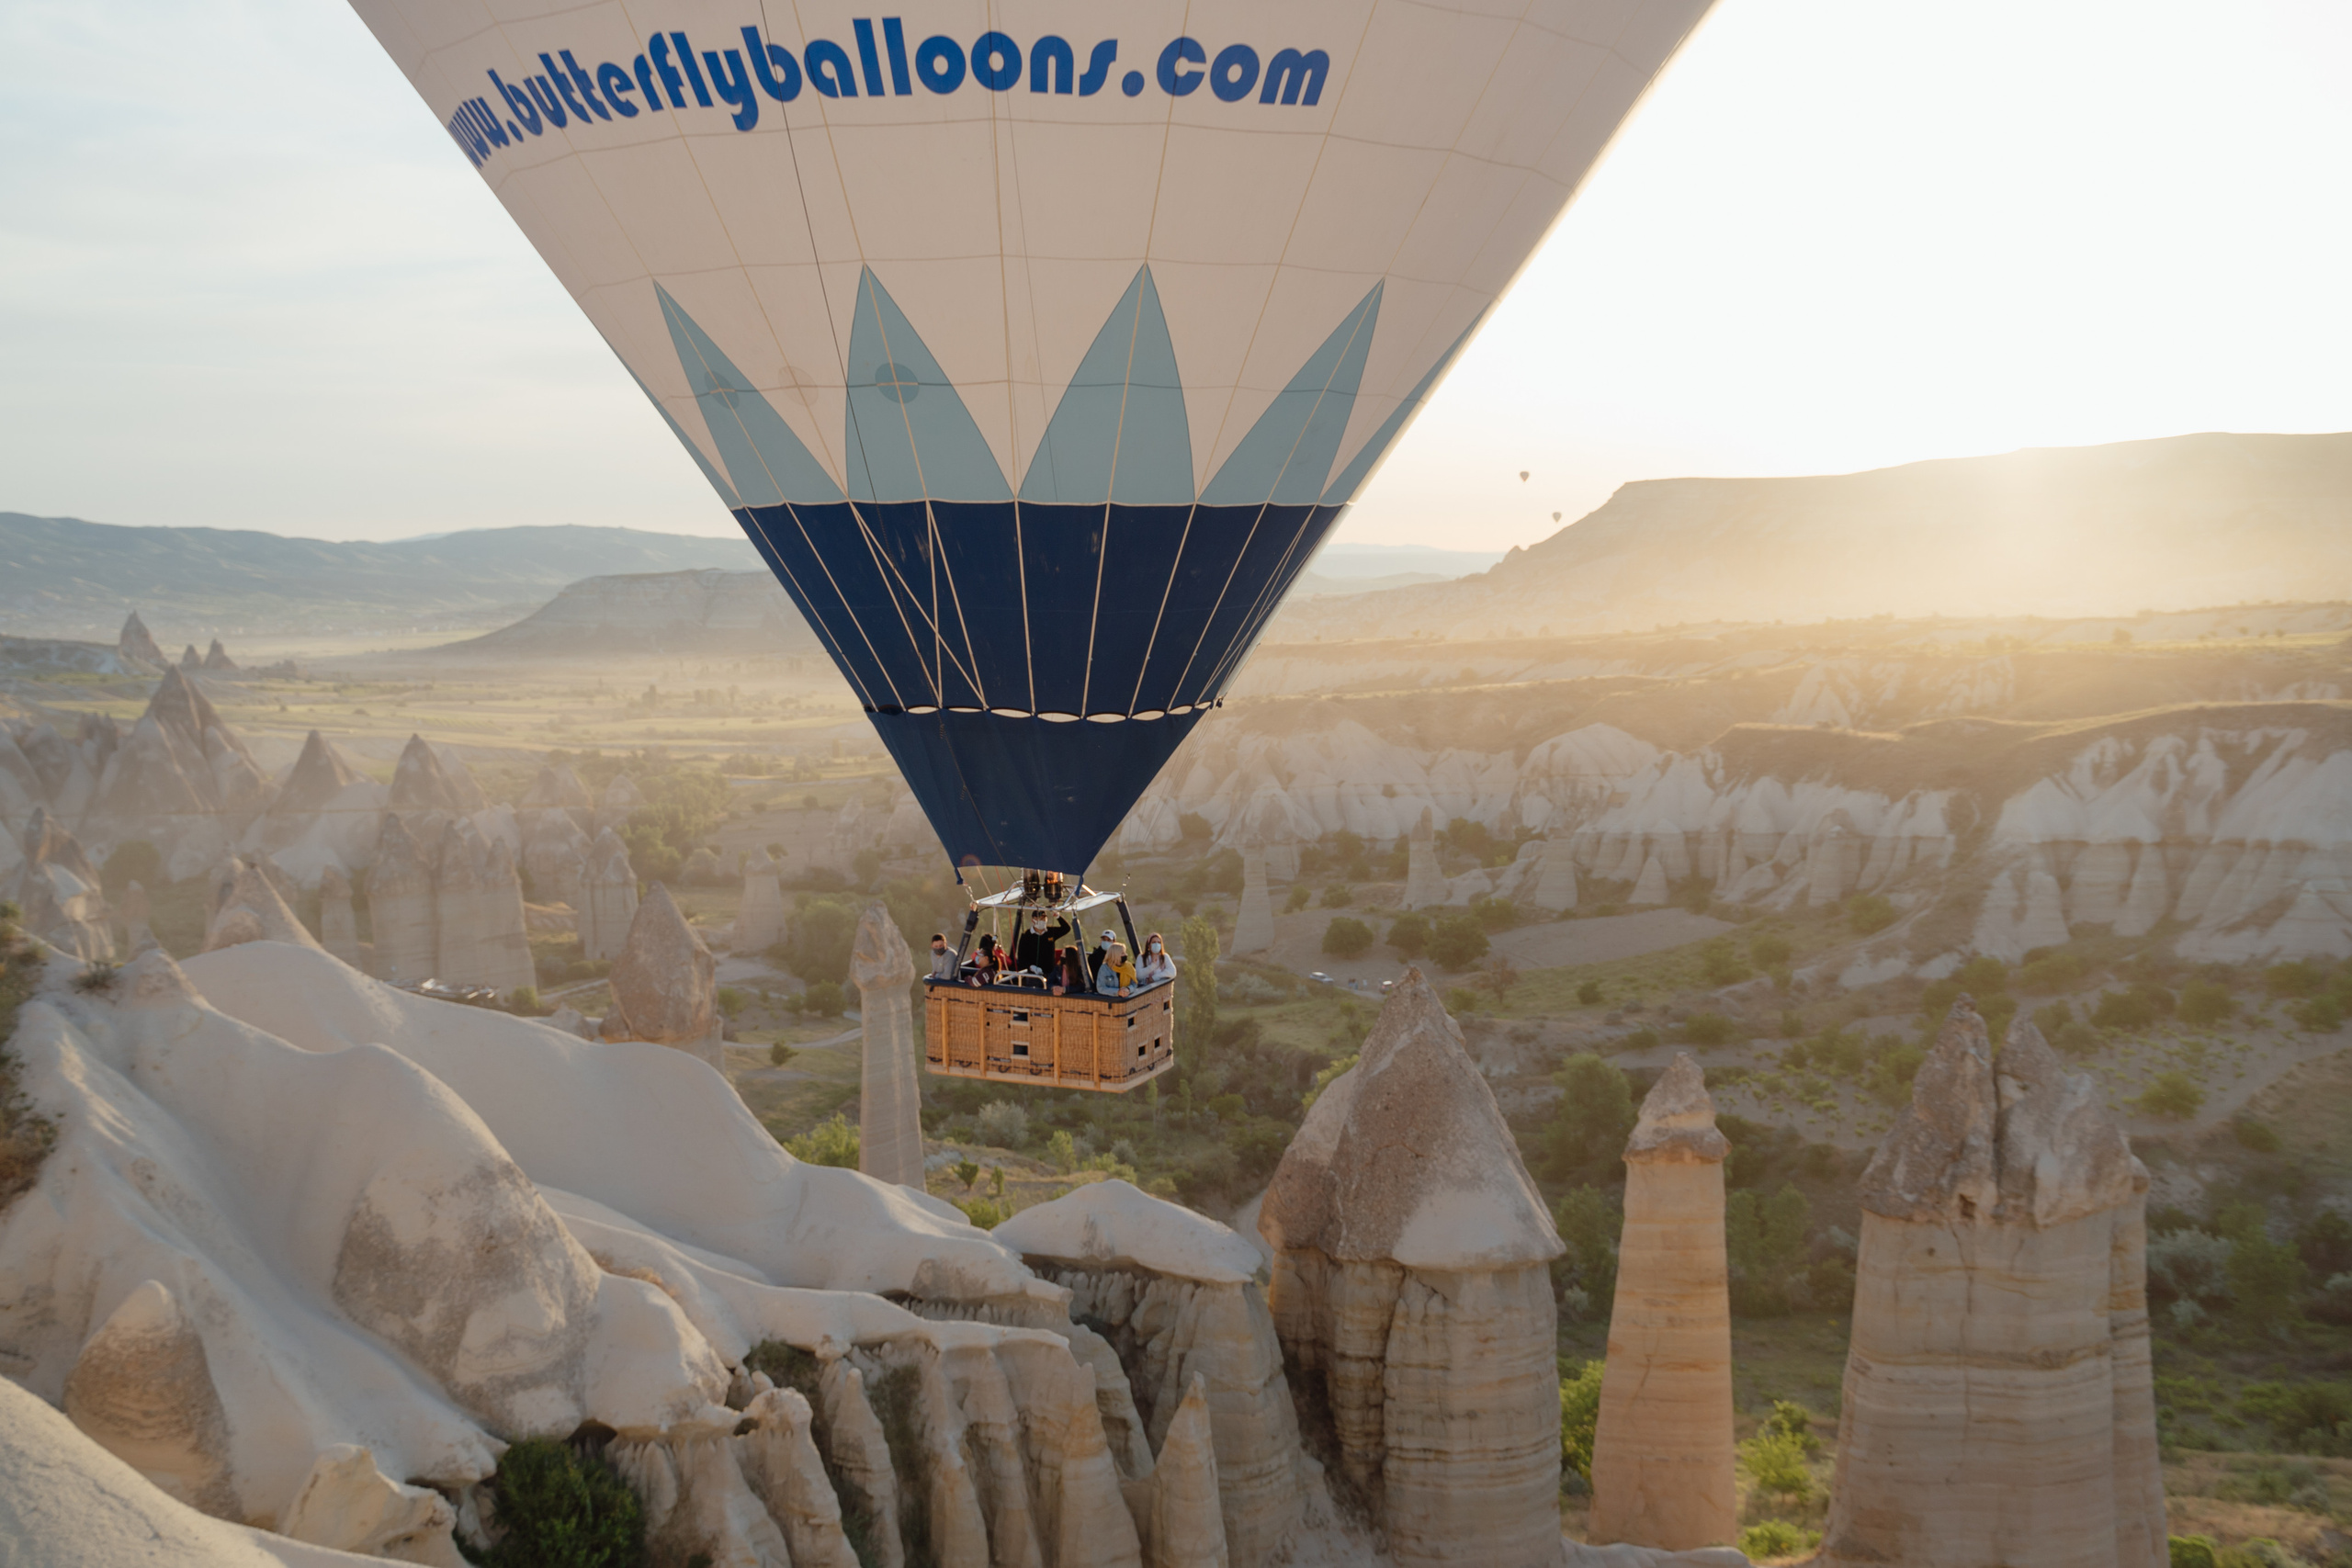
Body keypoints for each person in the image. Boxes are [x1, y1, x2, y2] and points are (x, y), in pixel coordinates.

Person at [1012, 909, 1069, 975]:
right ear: (1033, 920)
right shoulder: (1026, 935)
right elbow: (1021, 956)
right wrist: (1031, 967)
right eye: (1040, 918)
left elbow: (1066, 928)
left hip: (1050, 972)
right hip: (1033, 974)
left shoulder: (1051, 932)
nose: (1042, 920)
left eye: (1044, 918)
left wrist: (1058, 916)